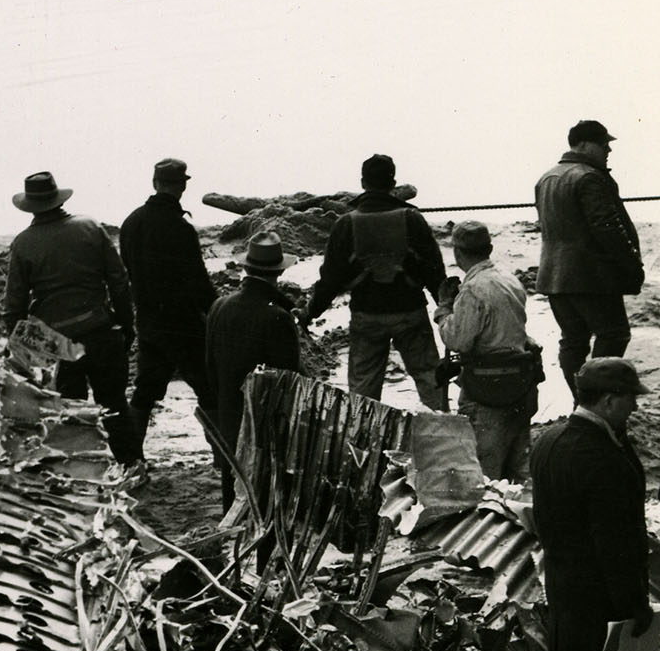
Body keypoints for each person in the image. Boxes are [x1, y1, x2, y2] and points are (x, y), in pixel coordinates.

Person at [530, 358, 660, 651]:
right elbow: (616, 544)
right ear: (608, 401)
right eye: (629, 400)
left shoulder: (549, 441)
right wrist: (635, 607)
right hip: (605, 596)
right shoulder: (602, 458)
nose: (634, 409)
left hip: (565, 589)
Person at [1, 172, 137, 460]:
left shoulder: (24, 244)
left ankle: (86, 477)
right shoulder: (90, 226)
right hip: (103, 331)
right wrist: (127, 325)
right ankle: (133, 467)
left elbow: (14, 307)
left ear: (30, 206)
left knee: (71, 411)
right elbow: (120, 282)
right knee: (114, 404)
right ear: (58, 198)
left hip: (57, 343)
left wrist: (26, 352)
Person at [303, 154, 448, 407]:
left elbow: (330, 280)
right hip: (411, 313)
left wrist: (309, 313)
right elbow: (435, 272)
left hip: (367, 317)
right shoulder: (412, 219)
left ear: (363, 183)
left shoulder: (346, 224)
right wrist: (447, 310)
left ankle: (362, 443)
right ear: (393, 183)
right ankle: (444, 437)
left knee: (362, 394)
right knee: (430, 381)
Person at [117, 157, 218, 464]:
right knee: (209, 389)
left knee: (145, 391)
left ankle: (132, 459)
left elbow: (128, 274)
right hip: (184, 324)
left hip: (148, 321)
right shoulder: (180, 228)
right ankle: (221, 457)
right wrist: (216, 314)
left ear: (154, 183)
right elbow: (198, 283)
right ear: (183, 186)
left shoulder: (131, 223)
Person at [534, 119, 643, 394]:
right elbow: (607, 228)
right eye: (602, 142)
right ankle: (596, 400)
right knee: (614, 334)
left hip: (554, 277)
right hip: (591, 277)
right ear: (583, 144)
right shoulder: (589, 177)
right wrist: (631, 265)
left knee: (573, 341)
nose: (608, 148)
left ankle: (580, 401)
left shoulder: (546, 178)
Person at [437, 221, 542, 481]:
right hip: (520, 383)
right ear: (490, 248)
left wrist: (444, 310)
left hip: (487, 391)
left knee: (484, 474)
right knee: (517, 472)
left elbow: (457, 340)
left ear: (457, 253)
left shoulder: (473, 290)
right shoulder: (509, 279)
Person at [204, 232, 303, 508]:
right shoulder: (278, 317)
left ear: (245, 267)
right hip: (266, 420)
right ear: (279, 272)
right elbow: (290, 380)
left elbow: (209, 366)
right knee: (268, 490)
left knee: (232, 483)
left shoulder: (219, 306)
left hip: (230, 410)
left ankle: (232, 537)